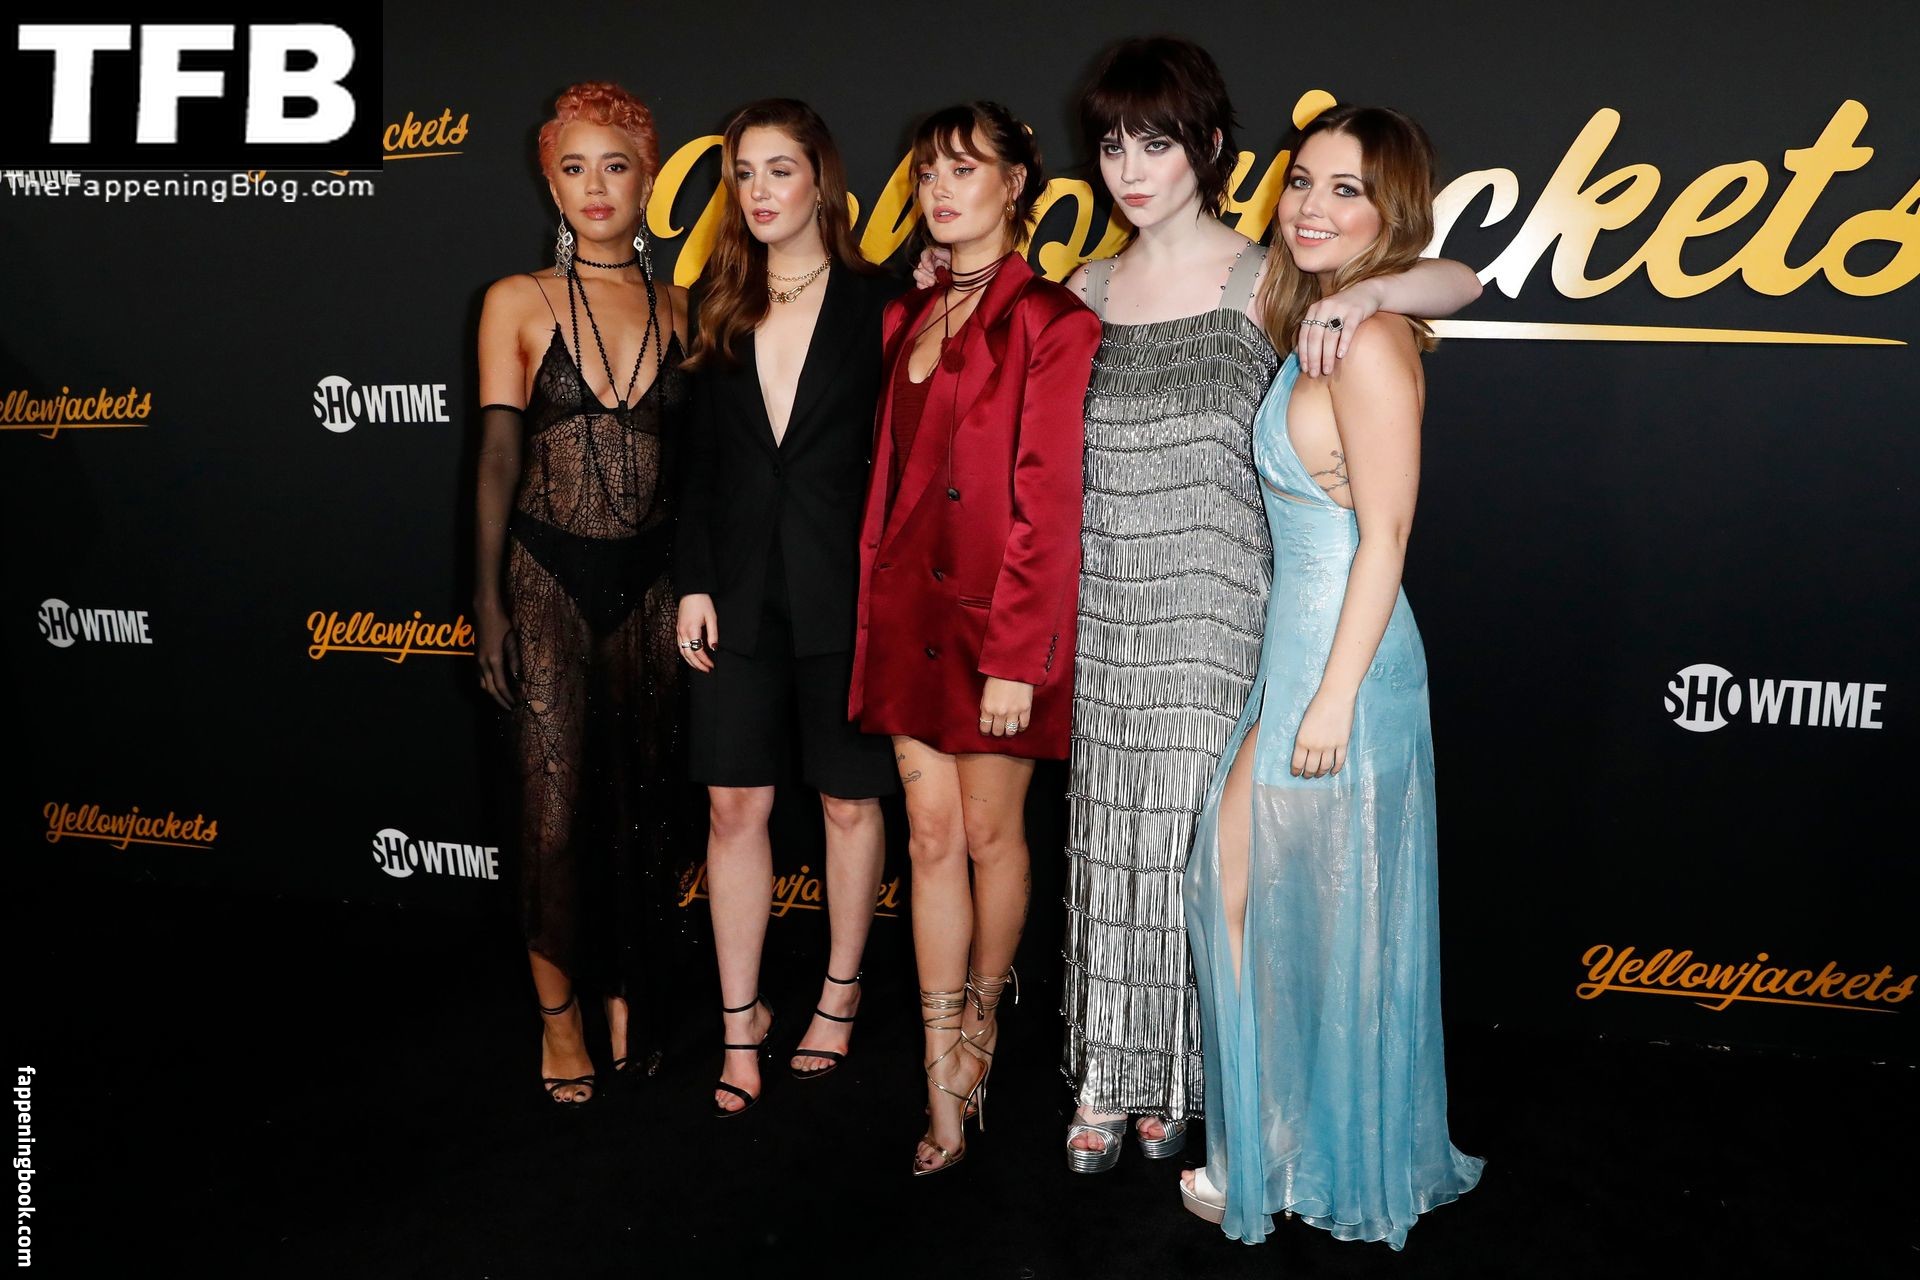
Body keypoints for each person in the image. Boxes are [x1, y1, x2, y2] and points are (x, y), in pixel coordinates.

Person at [1055, 37, 1485, 1173]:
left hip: (1235, 615)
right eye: (1112, 144)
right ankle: (1113, 1065)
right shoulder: (1080, 292)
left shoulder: (1274, 281)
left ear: (1206, 147)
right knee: (1113, 840)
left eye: (1156, 142)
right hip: (1108, 614)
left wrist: (1380, 285)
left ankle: (1190, 1079)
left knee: (1203, 854)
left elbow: (1458, 282)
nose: (1131, 167)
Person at [1179, 104, 1484, 1245]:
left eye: (1345, 189)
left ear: (1387, 209)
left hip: (1345, 663)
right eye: (1302, 180)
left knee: (1302, 905)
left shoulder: (1369, 339)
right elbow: (1456, 279)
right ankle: (1283, 1141)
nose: (1311, 204)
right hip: (1298, 653)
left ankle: (1295, 1153)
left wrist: (1334, 698)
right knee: (1268, 902)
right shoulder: (1328, 312)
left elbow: (1387, 536)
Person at [848, 100, 1100, 1175]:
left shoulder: (1052, 319)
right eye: (927, 172)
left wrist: (1017, 657)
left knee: (992, 837)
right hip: (908, 616)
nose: (941, 189)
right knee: (928, 839)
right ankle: (938, 1070)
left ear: (1014, 184)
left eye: (964, 168)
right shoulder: (906, 314)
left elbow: (1049, 502)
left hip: (995, 627)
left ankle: (979, 1031)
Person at [675, 99, 901, 1117]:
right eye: (744, 173)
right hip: (736, 594)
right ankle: (741, 1021)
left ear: (822, 180)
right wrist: (692, 579)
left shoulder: (881, 303)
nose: (759, 191)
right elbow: (698, 463)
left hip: (847, 594)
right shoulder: (715, 301)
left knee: (850, 803)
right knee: (734, 806)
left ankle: (840, 996)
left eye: (779, 169)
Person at [472, 81, 691, 1105]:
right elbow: (497, 457)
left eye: (616, 166)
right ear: (550, 184)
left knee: (645, 810)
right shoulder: (515, 299)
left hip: (655, 588)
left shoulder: (684, 309)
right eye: (574, 167)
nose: (595, 186)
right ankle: (559, 1019)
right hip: (546, 577)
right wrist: (488, 605)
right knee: (553, 816)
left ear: (648, 179)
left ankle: (627, 994)